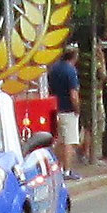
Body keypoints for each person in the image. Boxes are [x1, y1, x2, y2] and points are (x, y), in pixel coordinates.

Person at [47, 45, 82, 180]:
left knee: (58, 141)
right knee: (69, 142)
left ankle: (57, 168)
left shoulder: (54, 68)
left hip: (55, 108)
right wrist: (77, 109)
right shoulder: (71, 71)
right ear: (75, 56)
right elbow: (73, 94)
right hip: (67, 110)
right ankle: (67, 171)